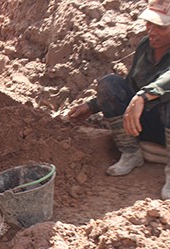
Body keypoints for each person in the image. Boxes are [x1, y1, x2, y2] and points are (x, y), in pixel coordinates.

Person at [67, 0, 170, 200]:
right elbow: (130, 84)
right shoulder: (145, 46)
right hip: (145, 123)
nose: (152, 30)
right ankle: (131, 153)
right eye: (150, 23)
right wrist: (92, 106)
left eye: (161, 27)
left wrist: (143, 96)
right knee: (109, 83)